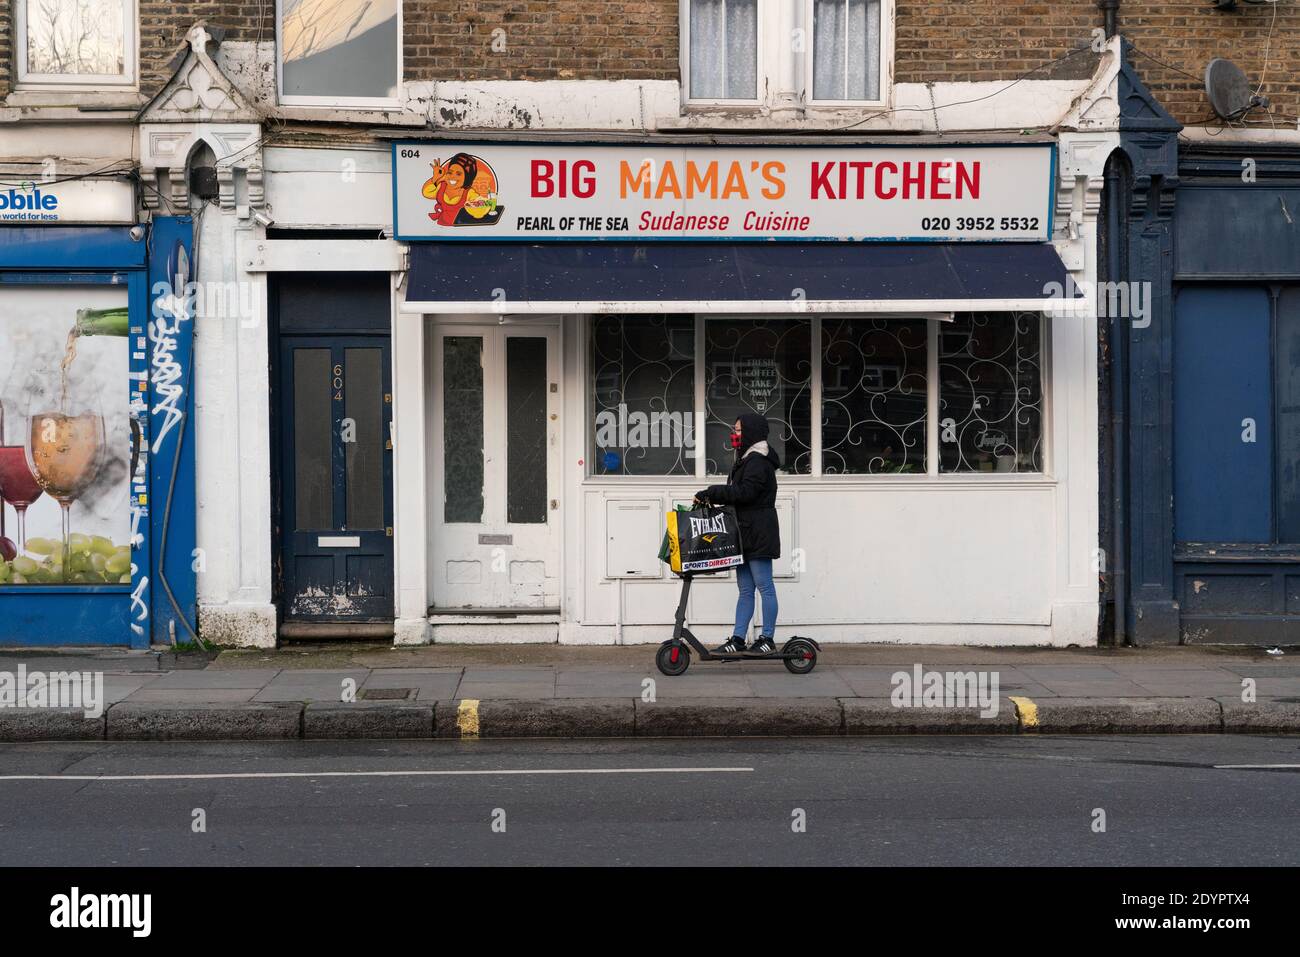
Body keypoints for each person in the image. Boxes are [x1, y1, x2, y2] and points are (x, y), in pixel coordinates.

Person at [695, 412, 781, 654]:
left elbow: (746, 493)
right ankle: (738, 638)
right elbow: (739, 496)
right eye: (734, 429)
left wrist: (712, 491)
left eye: (739, 430)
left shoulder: (758, 462)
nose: (734, 434)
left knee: (764, 586)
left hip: (759, 532)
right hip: (744, 532)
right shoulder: (745, 460)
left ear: (751, 432)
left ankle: (767, 639)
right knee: (745, 590)